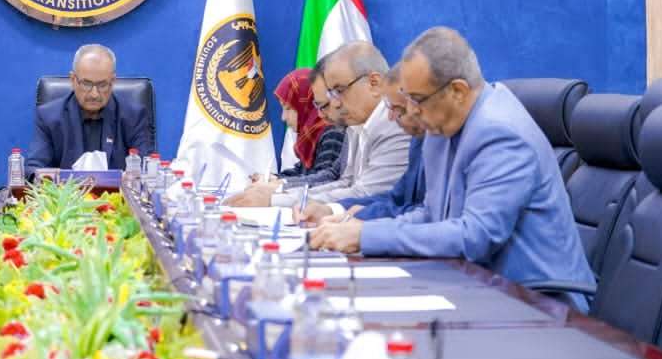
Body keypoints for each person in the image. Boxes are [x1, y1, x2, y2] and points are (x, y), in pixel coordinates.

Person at [312, 27, 596, 311]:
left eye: (417, 99)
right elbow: (431, 215)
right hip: (473, 284)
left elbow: (475, 237)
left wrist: (366, 236)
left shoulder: (500, 133)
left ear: (458, 91)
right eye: (407, 98)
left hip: (538, 300)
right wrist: (362, 229)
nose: (411, 111)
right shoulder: (440, 127)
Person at [227, 42, 410, 208]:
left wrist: (276, 199)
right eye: (332, 94)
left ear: (374, 83)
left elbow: (367, 193)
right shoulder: (357, 126)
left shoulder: (394, 125)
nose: (335, 104)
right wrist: (280, 194)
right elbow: (346, 182)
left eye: (339, 90)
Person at [299, 64, 426, 227]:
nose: (335, 104)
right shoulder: (421, 138)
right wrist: (334, 209)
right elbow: (397, 198)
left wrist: (364, 228)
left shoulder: (397, 130)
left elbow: (433, 216)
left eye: (400, 109)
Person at [27, 44, 153, 172]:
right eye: (86, 84)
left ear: (113, 82)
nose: (94, 94)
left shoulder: (134, 117)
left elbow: (146, 170)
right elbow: (33, 168)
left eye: (102, 85)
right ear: (73, 80)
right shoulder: (49, 117)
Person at [265, 68, 348, 187]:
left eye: (288, 108)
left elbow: (323, 180)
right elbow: (302, 171)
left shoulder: (332, 132)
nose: (283, 117)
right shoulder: (311, 134)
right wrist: (273, 179)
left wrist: (279, 185)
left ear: (307, 105)